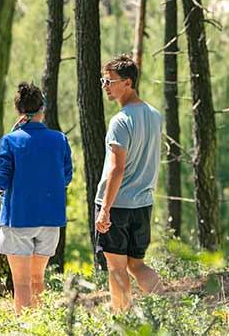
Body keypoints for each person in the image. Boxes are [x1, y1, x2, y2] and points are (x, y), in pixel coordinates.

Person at [0, 82, 73, 314]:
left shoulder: (9, 140)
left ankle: (24, 328)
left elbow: (0, 183)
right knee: (37, 280)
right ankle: (40, 326)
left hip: (18, 219)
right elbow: (66, 178)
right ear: (43, 109)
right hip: (50, 220)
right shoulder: (60, 139)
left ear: (18, 110)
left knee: (21, 284)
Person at [95, 54, 163, 311]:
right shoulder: (155, 116)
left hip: (117, 205)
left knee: (117, 267)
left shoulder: (120, 121)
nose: (105, 86)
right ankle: (167, 312)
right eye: (104, 80)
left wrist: (105, 209)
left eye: (110, 81)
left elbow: (117, 168)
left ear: (128, 83)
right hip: (143, 204)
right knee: (137, 265)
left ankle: (122, 322)